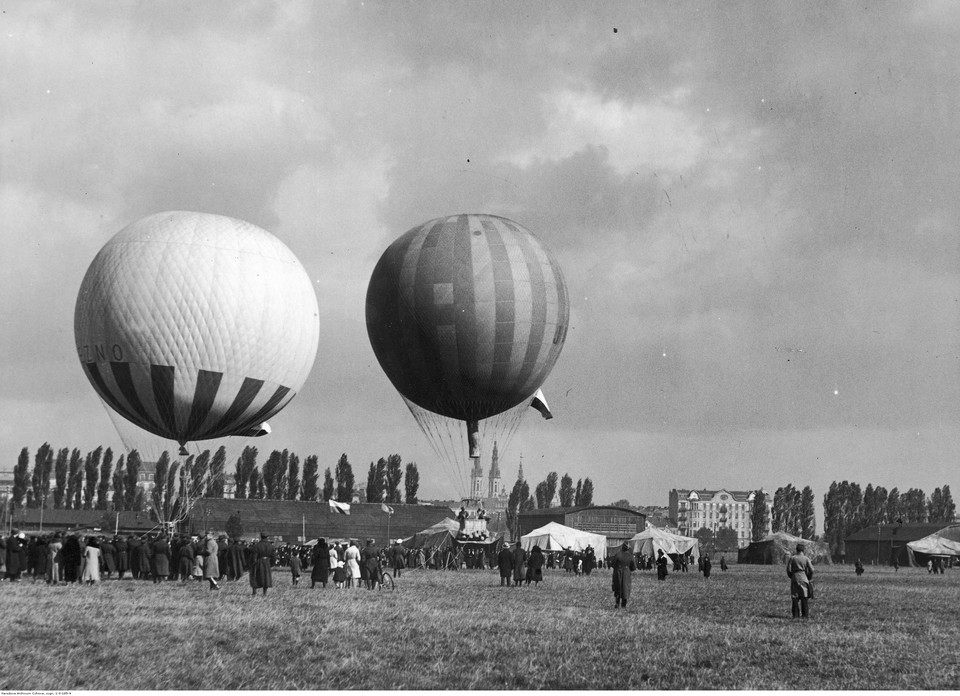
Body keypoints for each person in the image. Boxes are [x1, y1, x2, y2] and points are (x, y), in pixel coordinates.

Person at [786, 543, 815, 619]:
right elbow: (812, 569)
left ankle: (795, 615)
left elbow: (788, 570)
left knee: (795, 597)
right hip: (804, 578)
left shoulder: (792, 558)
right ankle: (805, 616)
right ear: (803, 550)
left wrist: (791, 576)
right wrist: (809, 577)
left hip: (795, 578)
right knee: (804, 597)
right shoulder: (806, 558)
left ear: (796, 549)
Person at [610, 542, 637, 608]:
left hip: (618, 572)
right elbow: (633, 567)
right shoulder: (630, 556)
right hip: (626, 573)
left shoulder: (617, 554)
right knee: (626, 588)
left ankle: (617, 603)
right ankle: (623, 604)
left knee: (617, 587)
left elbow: (612, 564)